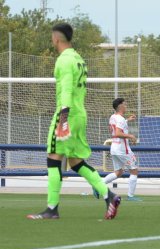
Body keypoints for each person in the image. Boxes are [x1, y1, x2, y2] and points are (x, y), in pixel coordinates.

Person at [27, 23, 121, 220]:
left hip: (66, 114)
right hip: (80, 115)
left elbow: (67, 90)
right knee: (76, 162)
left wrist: (62, 120)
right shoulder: (79, 59)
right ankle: (108, 195)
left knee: (53, 160)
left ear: (56, 38)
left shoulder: (64, 60)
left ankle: (52, 209)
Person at [94, 98, 141, 201]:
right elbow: (118, 133)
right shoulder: (120, 119)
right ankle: (131, 196)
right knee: (134, 170)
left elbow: (114, 129)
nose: (126, 105)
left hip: (114, 147)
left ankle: (98, 186)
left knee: (118, 172)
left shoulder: (113, 117)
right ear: (120, 106)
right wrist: (131, 136)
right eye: (124, 104)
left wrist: (127, 120)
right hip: (123, 149)